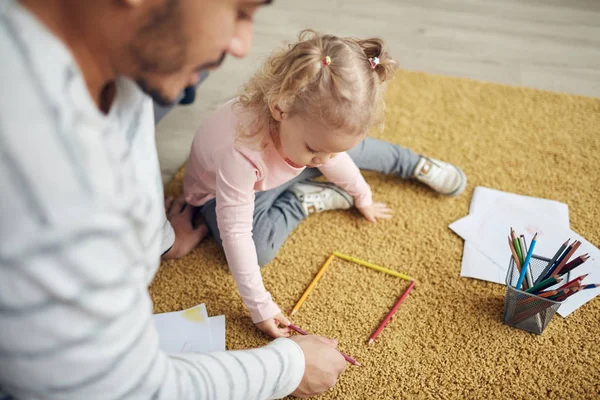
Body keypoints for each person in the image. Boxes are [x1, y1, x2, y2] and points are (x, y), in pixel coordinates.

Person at [0, 1, 348, 399]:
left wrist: (161, 239)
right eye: (239, 10)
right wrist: (289, 368)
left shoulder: (115, 71)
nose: (241, 44)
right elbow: (128, 389)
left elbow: (131, 165)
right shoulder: (57, 189)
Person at [183, 30, 467, 338]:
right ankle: (300, 200)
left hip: (283, 164)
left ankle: (412, 163)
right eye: (315, 149)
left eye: (331, 151)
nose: (325, 159)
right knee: (257, 247)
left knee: (348, 152)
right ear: (280, 109)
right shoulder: (241, 154)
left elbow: (332, 158)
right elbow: (236, 232)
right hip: (224, 192)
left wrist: (363, 196)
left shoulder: (308, 136)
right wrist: (260, 305)